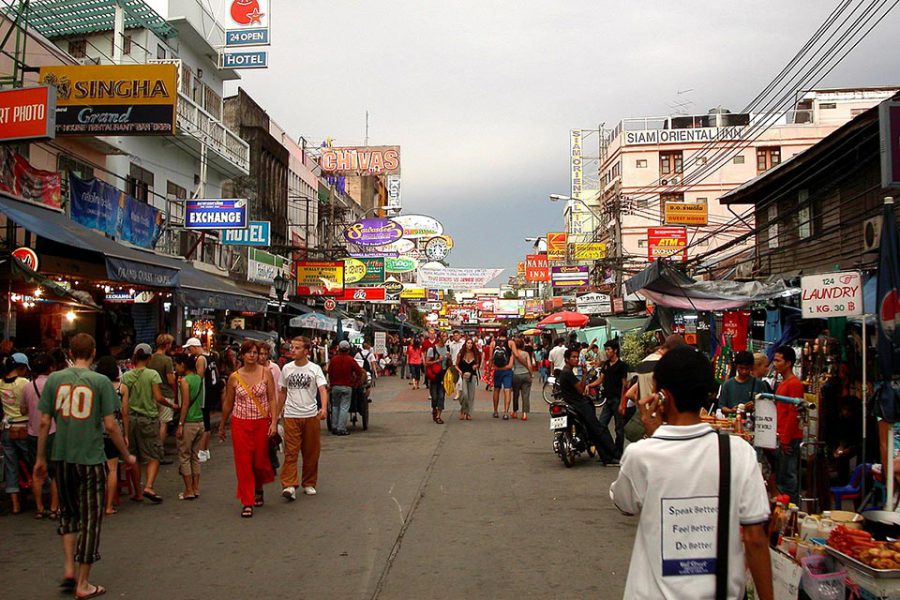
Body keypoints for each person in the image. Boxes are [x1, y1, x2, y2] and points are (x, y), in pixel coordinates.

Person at [610, 346, 773, 600]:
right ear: (708, 394)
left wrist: (653, 436)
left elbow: (625, 504)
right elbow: (755, 539)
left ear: (662, 395)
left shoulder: (641, 455)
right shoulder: (738, 453)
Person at [34, 333, 136, 600]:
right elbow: (111, 425)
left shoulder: (55, 379)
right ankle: (83, 582)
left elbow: (45, 422)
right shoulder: (100, 381)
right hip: (90, 458)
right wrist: (126, 454)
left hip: (61, 456)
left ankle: (69, 569)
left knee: (68, 514)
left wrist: (41, 458)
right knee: (90, 519)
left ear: (69, 351)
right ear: (92, 351)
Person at [218, 341, 278, 518]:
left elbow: (272, 399)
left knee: (259, 461)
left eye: (255, 352)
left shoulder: (266, 373)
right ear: (242, 355)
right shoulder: (234, 377)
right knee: (244, 463)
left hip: (261, 422)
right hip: (240, 423)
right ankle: (247, 501)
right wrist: (222, 424)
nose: (252, 355)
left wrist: (274, 422)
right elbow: (228, 403)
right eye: (248, 352)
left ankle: (258, 487)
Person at [122, 343, 176, 503]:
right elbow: (158, 397)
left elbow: (124, 404)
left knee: (134, 456)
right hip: (149, 419)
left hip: (131, 419)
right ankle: (149, 486)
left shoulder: (126, 376)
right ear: (149, 358)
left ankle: (138, 492)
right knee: (154, 454)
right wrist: (171, 405)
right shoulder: (152, 375)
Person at [278, 336, 328, 500]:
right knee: (290, 452)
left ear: (306, 351)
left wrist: (323, 408)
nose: (293, 350)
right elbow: (283, 392)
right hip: (291, 414)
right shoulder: (286, 368)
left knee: (311, 452)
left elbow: (322, 389)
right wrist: (277, 415)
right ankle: (289, 484)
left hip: (310, 414)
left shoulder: (314, 369)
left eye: (297, 348)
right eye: (292, 347)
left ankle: (309, 483)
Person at [558, 348, 618, 465]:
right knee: (599, 430)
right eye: (573, 357)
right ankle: (613, 454)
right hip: (579, 405)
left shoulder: (566, 372)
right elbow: (580, 390)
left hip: (575, 405)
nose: (576, 359)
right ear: (566, 359)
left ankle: (607, 457)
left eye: (577, 357)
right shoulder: (567, 373)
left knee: (593, 432)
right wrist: (585, 374)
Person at [23, 353, 59, 518]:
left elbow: (22, 409)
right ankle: (53, 508)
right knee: (54, 473)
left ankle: (39, 508)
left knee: (36, 471)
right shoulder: (54, 385)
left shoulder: (27, 387)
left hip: (32, 433)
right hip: (52, 432)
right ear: (50, 368)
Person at [94, 357, 130, 516]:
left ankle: (96, 503)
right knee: (112, 468)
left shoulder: (94, 386)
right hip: (114, 430)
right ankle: (109, 506)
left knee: (96, 468)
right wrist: (126, 434)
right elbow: (125, 413)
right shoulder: (122, 388)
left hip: (96, 430)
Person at [773, 345, 804, 505]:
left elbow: (794, 413)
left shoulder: (794, 384)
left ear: (788, 363)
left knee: (788, 477)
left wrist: (785, 439)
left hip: (789, 437)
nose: (775, 363)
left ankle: (792, 510)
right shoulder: (783, 382)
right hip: (782, 435)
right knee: (782, 476)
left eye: (778, 360)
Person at [1, 353, 31, 514]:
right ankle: (45, 496)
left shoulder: (0, 384)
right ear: (21, 367)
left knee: (11, 467)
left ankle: (15, 505)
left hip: (7, 429)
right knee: (33, 462)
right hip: (24, 427)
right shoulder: (24, 383)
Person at [173, 354, 204, 501]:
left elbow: (184, 404)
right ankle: (196, 488)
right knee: (195, 456)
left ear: (183, 365)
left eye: (177, 365)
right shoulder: (198, 378)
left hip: (189, 422)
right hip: (200, 421)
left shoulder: (184, 381)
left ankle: (189, 490)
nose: (176, 368)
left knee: (184, 456)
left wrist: (180, 424)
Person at [184, 338, 213, 464]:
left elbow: (199, 377)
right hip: (209, 393)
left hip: (204, 394)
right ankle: (205, 450)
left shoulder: (201, 359)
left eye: (189, 349)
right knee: (207, 421)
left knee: (205, 422)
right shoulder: (209, 357)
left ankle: (202, 450)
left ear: (195, 347)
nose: (189, 351)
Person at [327, 340, 365, 436]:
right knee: (344, 407)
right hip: (347, 387)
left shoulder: (334, 360)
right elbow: (359, 373)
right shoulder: (351, 360)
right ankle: (341, 429)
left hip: (335, 387)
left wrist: (331, 384)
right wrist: (355, 382)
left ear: (339, 349)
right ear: (348, 350)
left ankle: (334, 427)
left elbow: (329, 372)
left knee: (335, 407)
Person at [598, 340, 628, 458]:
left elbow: (624, 385)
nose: (606, 352)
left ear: (615, 350)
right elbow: (600, 379)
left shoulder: (622, 366)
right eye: (605, 349)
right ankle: (610, 449)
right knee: (601, 425)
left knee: (619, 429)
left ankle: (619, 453)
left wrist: (622, 402)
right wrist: (589, 385)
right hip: (608, 400)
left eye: (608, 349)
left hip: (617, 400)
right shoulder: (605, 364)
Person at [147, 334, 176, 454]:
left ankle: (151, 448)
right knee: (163, 423)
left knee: (154, 422)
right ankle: (159, 450)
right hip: (165, 394)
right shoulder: (167, 360)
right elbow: (170, 380)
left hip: (152, 393)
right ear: (167, 345)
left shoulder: (150, 358)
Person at [425, 334, 450, 424]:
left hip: (443, 374)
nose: (446, 338)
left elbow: (448, 363)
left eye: (446, 336)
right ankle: (434, 409)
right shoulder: (432, 349)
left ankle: (439, 416)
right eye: (444, 336)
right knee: (434, 396)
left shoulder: (447, 349)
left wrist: (449, 357)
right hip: (434, 375)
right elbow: (427, 363)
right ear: (439, 338)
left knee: (441, 396)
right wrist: (437, 360)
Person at [490, 335, 514, 419]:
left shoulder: (493, 343)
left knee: (496, 389)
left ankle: (495, 411)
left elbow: (490, 358)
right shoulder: (511, 343)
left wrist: (490, 370)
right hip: (507, 370)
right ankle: (506, 412)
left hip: (497, 370)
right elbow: (514, 355)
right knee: (507, 390)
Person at [510, 338, 533, 421]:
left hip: (516, 375)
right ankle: (524, 414)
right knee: (526, 395)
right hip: (526, 374)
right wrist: (531, 374)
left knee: (516, 394)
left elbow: (511, 366)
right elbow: (529, 365)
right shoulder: (526, 354)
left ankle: (515, 412)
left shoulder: (513, 354)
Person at [457, 338, 479, 420]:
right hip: (464, 376)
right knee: (464, 394)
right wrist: (460, 372)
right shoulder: (461, 354)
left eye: (471, 343)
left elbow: (478, 363)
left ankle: (468, 412)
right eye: (468, 343)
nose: (469, 344)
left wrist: (476, 366)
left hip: (472, 376)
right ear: (465, 344)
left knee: (471, 396)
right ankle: (463, 409)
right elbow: (456, 365)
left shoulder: (475, 354)